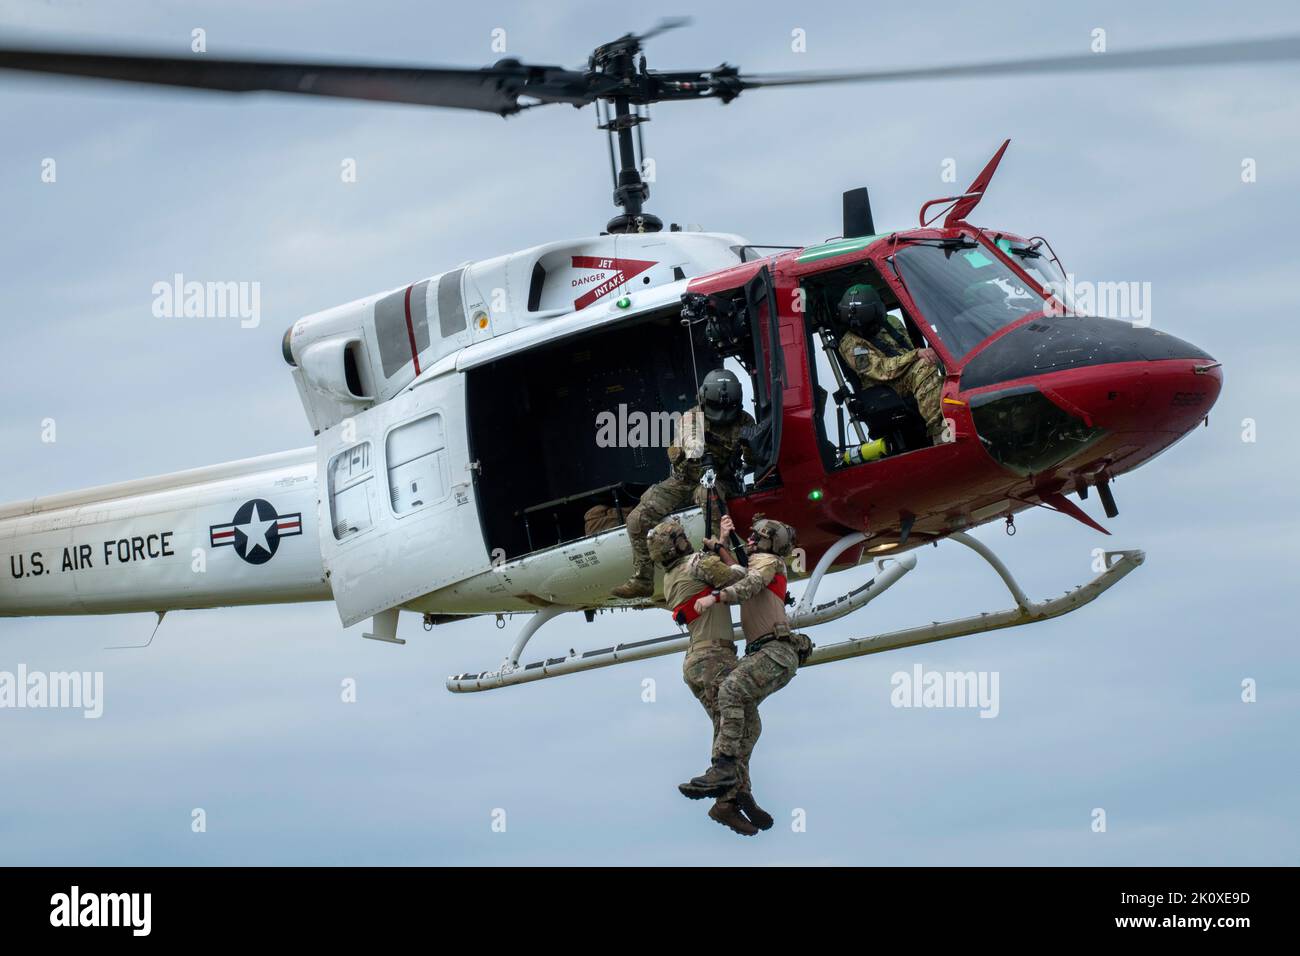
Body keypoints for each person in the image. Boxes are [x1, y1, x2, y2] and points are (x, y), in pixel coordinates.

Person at [677, 516, 810, 822]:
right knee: (749, 722)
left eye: (754, 537)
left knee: (730, 690)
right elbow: (740, 572)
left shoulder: (767, 562)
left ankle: (723, 766)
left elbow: (747, 584)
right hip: (765, 653)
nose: (749, 542)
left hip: (774, 651)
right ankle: (735, 794)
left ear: (767, 543)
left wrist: (716, 597)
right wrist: (722, 543)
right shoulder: (763, 562)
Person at [647, 518, 764, 836]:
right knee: (742, 724)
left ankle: (738, 794)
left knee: (735, 725)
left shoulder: (672, 577)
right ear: (679, 543)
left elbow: (703, 574)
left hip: (698, 660)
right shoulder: (699, 563)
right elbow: (739, 577)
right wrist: (723, 548)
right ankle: (727, 800)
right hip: (715, 658)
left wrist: (720, 538)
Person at [611, 368, 754, 599]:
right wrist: (698, 449)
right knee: (637, 519)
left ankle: (724, 568)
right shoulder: (691, 418)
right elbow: (691, 444)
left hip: (717, 481)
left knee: (712, 501)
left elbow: (753, 458)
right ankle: (643, 579)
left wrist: (753, 444)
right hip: (682, 481)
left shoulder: (745, 422)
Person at [836, 283, 946, 443]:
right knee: (924, 368)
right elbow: (881, 371)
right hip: (884, 387)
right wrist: (917, 355)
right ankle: (941, 432)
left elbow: (908, 348)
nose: (861, 329)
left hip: (907, 370)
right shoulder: (850, 344)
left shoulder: (891, 322)